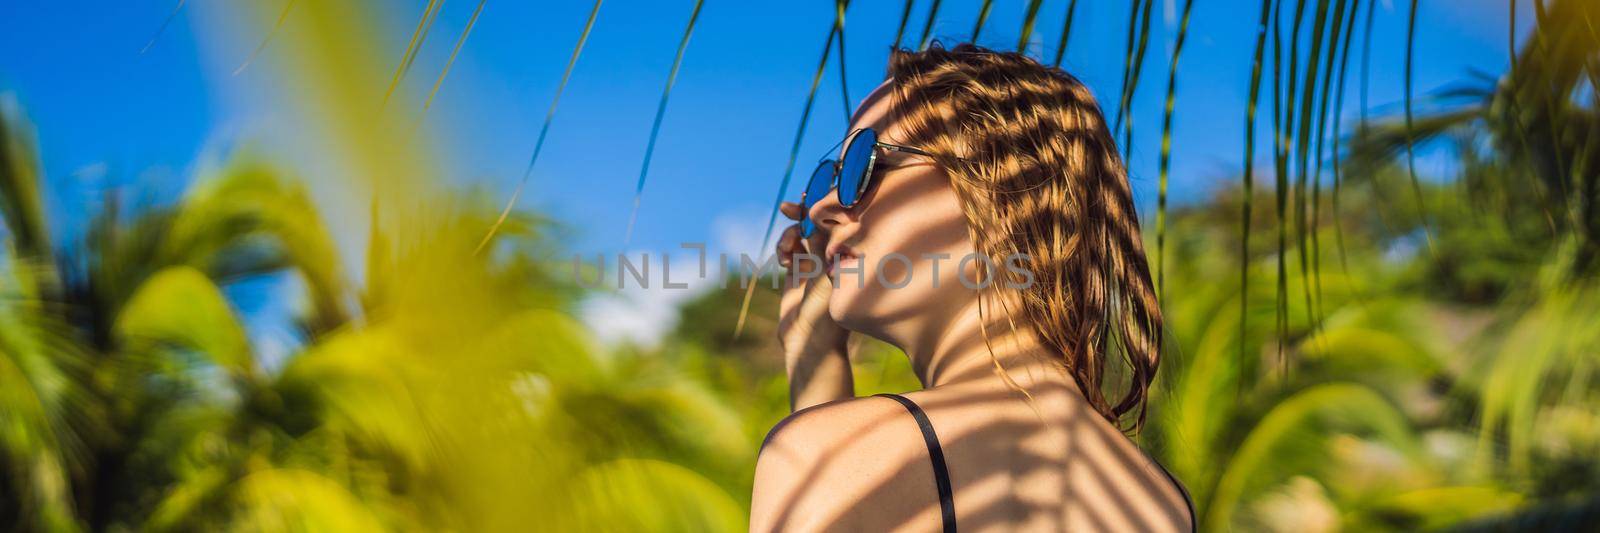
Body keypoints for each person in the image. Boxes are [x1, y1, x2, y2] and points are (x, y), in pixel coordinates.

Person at [749, 43, 1195, 532]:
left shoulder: (827, 454)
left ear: (998, 189)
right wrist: (814, 347)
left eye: (863, 164)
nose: (821, 209)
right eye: (826, 181)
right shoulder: (1163, 501)